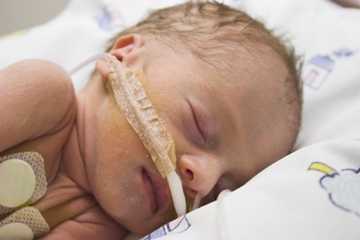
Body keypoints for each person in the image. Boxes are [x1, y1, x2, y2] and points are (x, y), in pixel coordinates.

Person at [0, 1, 302, 239]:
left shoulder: (100, 226)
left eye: (221, 188)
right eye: (198, 125)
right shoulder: (44, 94)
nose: (203, 180)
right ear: (123, 56)